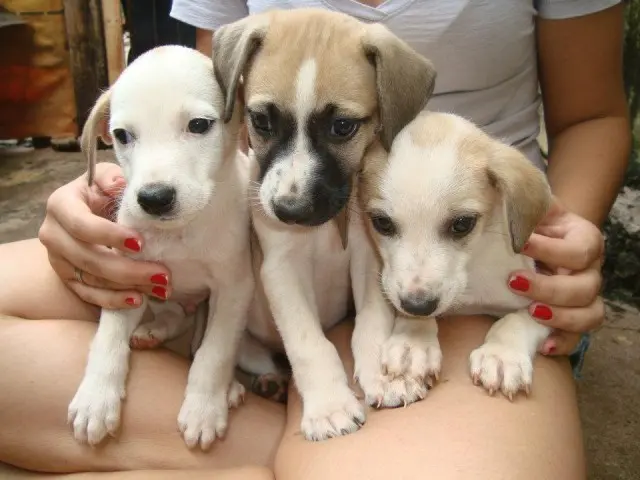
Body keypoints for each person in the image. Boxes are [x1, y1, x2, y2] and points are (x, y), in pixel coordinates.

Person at [0, 1, 630, 478]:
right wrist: (119, 176)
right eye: (267, 121)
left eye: (344, 128)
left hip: (459, 268)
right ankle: (316, 440)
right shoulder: (251, 80)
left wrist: (560, 237)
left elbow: (593, 113)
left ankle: (296, 440)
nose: (297, 191)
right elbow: (211, 108)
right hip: (248, 247)